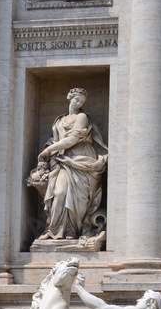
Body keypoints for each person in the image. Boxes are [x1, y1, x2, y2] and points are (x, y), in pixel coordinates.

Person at [30, 88, 108, 241]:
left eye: (82, 101)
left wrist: (47, 151)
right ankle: (54, 230)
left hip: (80, 159)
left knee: (75, 198)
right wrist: (48, 151)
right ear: (69, 97)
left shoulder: (82, 117)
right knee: (58, 193)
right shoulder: (59, 120)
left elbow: (71, 140)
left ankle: (72, 231)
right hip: (61, 160)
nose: (79, 103)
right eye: (77, 99)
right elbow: (53, 140)